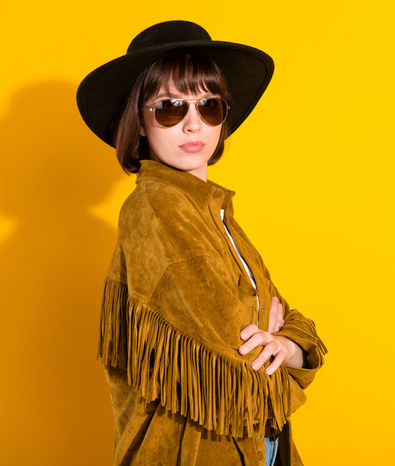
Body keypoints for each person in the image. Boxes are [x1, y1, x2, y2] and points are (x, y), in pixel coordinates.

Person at [76, 21, 327, 465]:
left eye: (208, 106)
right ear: (140, 123)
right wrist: (279, 343)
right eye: (171, 108)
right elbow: (236, 347)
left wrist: (286, 344)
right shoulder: (159, 206)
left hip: (255, 444)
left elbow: (285, 319)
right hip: (193, 452)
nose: (194, 124)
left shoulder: (214, 210)